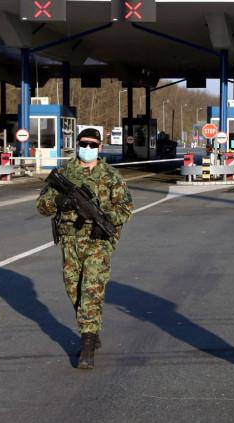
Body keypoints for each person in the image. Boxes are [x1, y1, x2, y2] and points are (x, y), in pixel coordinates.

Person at [36, 128, 133, 369]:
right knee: (74, 289)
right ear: (77, 145)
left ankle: (87, 342)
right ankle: (91, 327)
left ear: (100, 147)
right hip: (70, 241)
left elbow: (125, 208)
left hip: (98, 242)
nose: (87, 148)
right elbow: (41, 206)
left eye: (92, 145)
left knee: (92, 287)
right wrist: (58, 201)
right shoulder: (64, 174)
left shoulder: (111, 176)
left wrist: (105, 220)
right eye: (84, 144)